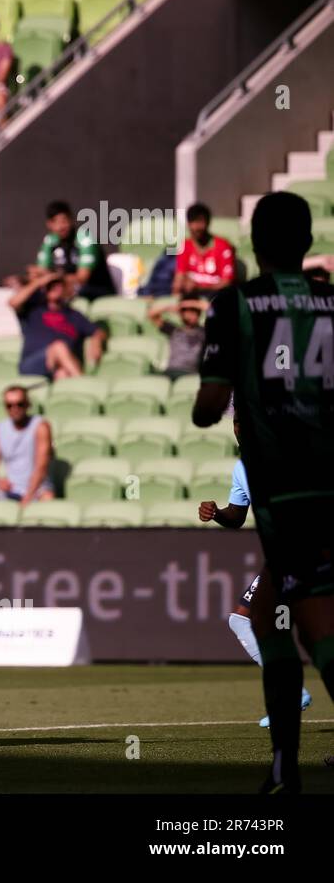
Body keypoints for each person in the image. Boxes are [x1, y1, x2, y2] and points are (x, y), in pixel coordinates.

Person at [192, 190, 334, 793]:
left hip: (288, 489)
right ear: (307, 242)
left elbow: (208, 407)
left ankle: (285, 770)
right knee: (286, 618)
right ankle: (283, 770)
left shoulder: (236, 304)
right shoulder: (331, 302)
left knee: (290, 625)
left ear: (253, 242)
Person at [199, 419, 314, 729]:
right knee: (244, 619)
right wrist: (219, 513)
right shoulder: (243, 467)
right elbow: (238, 514)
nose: (240, 429)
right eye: (237, 423)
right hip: (285, 554)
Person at [0, 385, 54, 504]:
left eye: (19, 404)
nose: (14, 408)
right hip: (10, 488)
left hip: (38, 488)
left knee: (48, 499)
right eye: (9, 405)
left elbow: (41, 467)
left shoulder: (41, 427)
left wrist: (29, 495)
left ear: (27, 404)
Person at [9, 269, 102, 380]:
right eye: (51, 285)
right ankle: (82, 383)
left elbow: (96, 331)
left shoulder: (73, 315)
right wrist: (39, 282)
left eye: (59, 285)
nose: (55, 288)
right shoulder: (34, 309)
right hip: (32, 364)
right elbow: (13, 302)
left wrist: (96, 341)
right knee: (59, 346)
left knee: (63, 374)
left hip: (61, 365)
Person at [35, 200, 116, 300]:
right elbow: (40, 271)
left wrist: (52, 277)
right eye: (55, 222)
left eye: (64, 221)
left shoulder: (85, 238)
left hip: (96, 289)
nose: (60, 227)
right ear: (49, 224)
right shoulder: (50, 240)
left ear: (71, 220)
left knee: (62, 292)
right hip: (66, 286)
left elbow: (82, 278)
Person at [173, 202, 237, 298]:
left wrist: (199, 288)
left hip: (218, 298)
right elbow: (178, 279)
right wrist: (179, 291)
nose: (197, 227)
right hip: (192, 300)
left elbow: (227, 283)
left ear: (208, 222)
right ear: (188, 224)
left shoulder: (223, 246)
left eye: (201, 221)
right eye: (193, 222)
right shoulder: (185, 245)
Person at [149, 297, 206, 380]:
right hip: (171, 371)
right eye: (186, 312)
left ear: (199, 313)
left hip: (191, 373)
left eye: (193, 312)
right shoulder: (173, 330)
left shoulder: (203, 332)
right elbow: (151, 315)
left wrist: (195, 304)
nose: (190, 315)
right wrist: (170, 307)